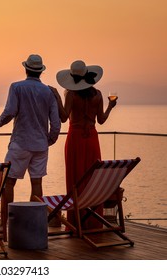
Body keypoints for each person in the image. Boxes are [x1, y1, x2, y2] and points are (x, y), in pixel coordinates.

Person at [0, 54, 61, 231]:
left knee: (9, 183)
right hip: (41, 146)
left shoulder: (17, 87)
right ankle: (34, 226)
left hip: (20, 144)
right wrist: (48, 140)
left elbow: (10, 111)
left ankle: (5, 225)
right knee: (37, 183)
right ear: (40, 72)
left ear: (26, 69)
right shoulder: (48, 92)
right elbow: (56, 123)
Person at [51, 60, 117, 229]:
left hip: (75, 139)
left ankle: (77, 223)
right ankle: (93, 221)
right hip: (92, 140)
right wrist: (110, 106)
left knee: (76, 179)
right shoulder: (98, 94)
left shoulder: (71, 94)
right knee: (92, 179)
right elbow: (101, 120)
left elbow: (64, 117)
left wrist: (57, 97)